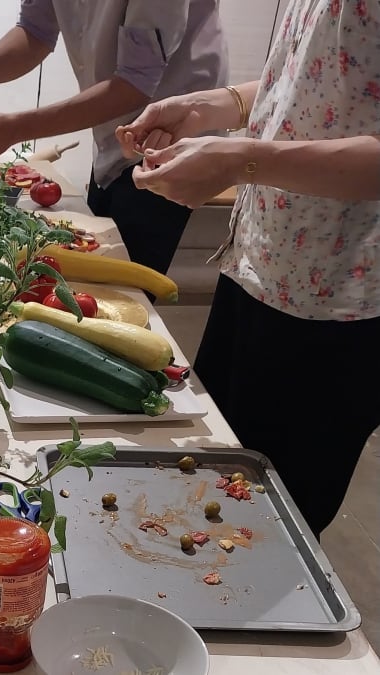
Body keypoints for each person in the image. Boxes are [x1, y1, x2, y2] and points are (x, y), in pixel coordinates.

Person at [116, 0, 380, 537]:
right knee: (212, 478)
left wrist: (242, 160)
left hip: (339, 304)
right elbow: (327, 79)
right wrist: (216, 105)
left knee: (270, 530)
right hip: (257, 264)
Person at [0, 1, 228, 277]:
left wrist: (12, 129)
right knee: (95, 261)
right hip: (116, 133)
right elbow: (35, 31)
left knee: (126, 284)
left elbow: (134, 84)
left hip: (172, 140)